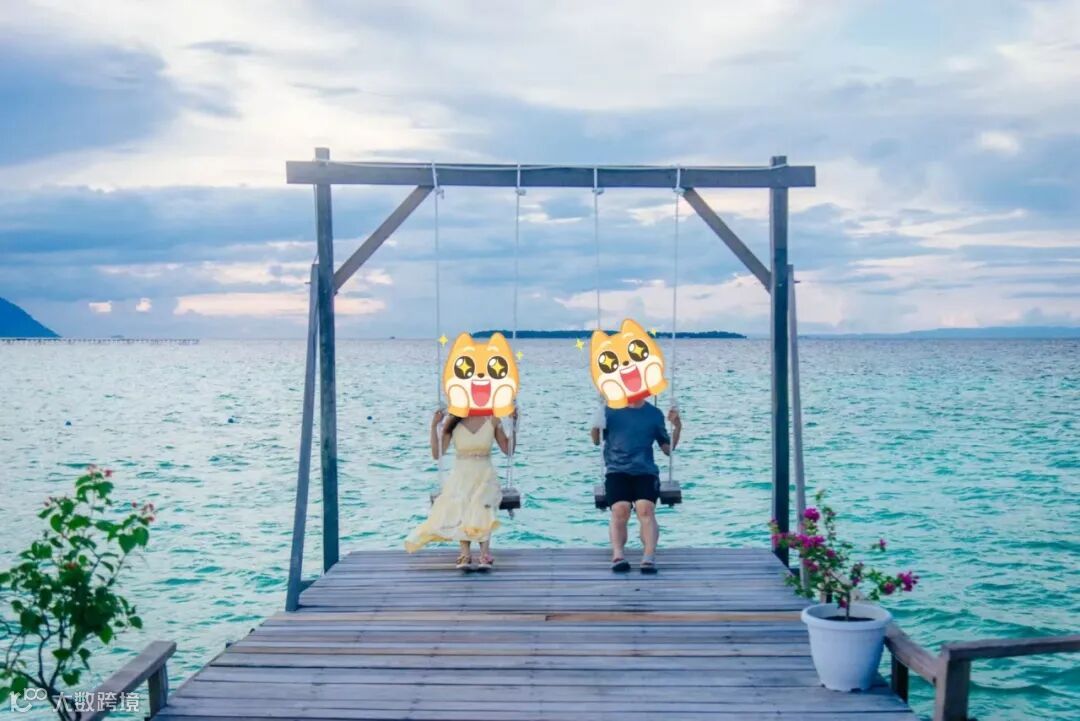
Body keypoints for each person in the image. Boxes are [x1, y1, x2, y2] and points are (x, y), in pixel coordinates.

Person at [405, 409, 516, 570]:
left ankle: (484, 553)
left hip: (485, 475)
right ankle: (465, 553)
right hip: (461, 475)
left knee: (482, 503)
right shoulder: (452, 421)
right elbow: (437, 454)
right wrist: (434, 425)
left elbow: (508, 449)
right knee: (462, 501)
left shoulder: (493, 419)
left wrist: (513, 425)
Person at [591, 400, 681, 574]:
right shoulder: (609, 411)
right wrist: (596, 422)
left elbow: (668, 449)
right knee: (620, 509)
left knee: (645, 508)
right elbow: (596, 441)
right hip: (617, 471)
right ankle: (618, 555)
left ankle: (648, 556)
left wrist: (677, 427)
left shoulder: (654, 413)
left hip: (645, 472)